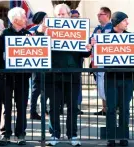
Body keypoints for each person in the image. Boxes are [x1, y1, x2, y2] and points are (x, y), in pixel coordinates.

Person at [37, 4, 92, 146]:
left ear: (69, 15)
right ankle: (54, 135)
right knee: (54, 107)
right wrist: (39, 32)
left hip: (72, 75)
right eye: (59, 15)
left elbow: (84, 53)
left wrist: (88, 48)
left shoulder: (79, 30)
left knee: (73, 108)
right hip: (53, 75)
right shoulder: (48, 29)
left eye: (63, 14)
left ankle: (72, 135)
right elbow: (37, 45)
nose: (61, 17)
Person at [90, 11, 134, 146]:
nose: (127, 23)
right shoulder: (105, 37)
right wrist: (94, 45)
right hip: (111, 78)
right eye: (125, 21)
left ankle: (123, 137)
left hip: (127, 78)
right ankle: (111, 138)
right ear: (117, 23)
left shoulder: (131, 37)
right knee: (111, 109)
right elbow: (97, 56)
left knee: (124, 109)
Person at [0, 7, 31, 146]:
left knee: (21, 106)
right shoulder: (3, 35)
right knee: (6, 107)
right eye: (23, 17)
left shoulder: (28, 35)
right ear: (15, 20)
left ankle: (21, 134)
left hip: (22, 77)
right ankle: (5, 134)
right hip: (6, 77)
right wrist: (1, 72)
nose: (26, 19)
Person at [90, 7, 113, 116]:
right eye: (98, 14)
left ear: (107, 15)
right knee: (100, 85)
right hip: (97, 61)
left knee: (107, 85)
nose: (98, 16)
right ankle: (104, 108)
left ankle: (111, 108)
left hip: (107, 61)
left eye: (101, 14)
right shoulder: (97, 28)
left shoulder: (112, 27)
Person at [29, 11, 47, 120]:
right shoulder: (32, 30)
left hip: (45, 63)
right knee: (36, 89)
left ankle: (43, 110)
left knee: (44, 89)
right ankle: (33, 111)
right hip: (37, 63)